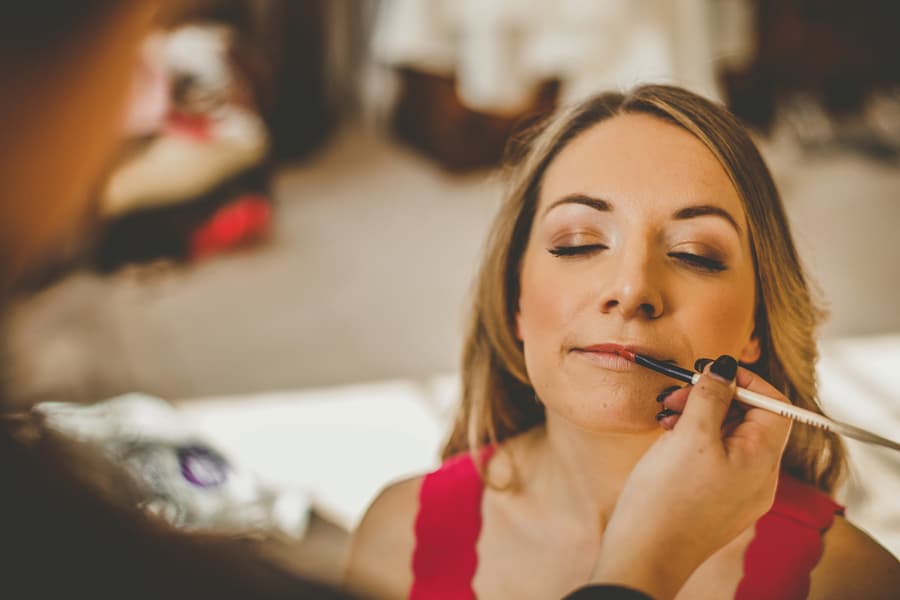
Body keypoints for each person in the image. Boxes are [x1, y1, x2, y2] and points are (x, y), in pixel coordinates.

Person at [345, 84, 900, 599]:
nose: (632, 289)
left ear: (757, 325)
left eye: (694, 254)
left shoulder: (853, 581)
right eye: (578, 243)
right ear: (514, 300)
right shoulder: (397, 539)